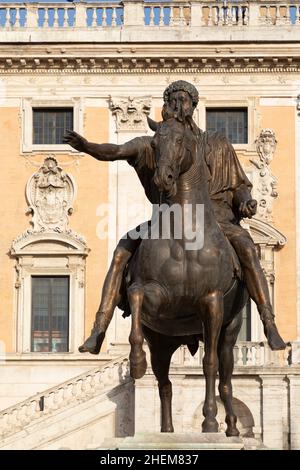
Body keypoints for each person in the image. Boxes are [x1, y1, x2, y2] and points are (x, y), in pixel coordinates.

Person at [63, 80, 286, 353]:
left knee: (249, 250)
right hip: (167, 219)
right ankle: (99, 328)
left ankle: (268, 322)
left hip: (217, 220)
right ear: (167, 106)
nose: (179, 105)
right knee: (122, 250)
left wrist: (246, 202)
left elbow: (238, 185)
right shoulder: (160, 143)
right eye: (173, 100)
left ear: (194, 105)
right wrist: (87, 147)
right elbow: (118, 151)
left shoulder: (216, 143)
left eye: (185, 99)